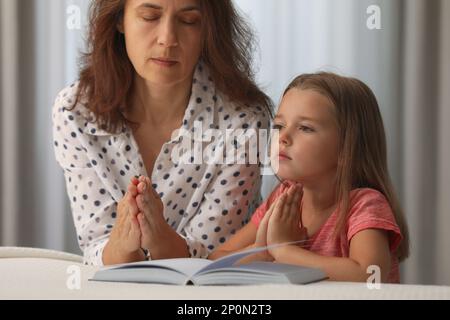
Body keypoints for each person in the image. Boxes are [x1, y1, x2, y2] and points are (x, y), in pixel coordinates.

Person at [52, 0, 272, 266]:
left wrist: (158, 238)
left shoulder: (244, 120)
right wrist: (123, 244)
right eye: (149, 16)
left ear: (209, 30)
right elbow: (96, 246)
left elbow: (215, 259)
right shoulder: (76, 111)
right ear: (120, 20)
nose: (167, 39)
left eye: (189, 21)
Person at [209, 72, 410, 283]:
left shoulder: (364, 205)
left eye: (305, 128)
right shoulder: (282, 198)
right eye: (279, 126)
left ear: (346, 148)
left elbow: (370, 275)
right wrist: (262, 251)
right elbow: (215, 261)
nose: (283, 138)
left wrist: (284, 252)